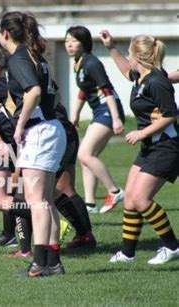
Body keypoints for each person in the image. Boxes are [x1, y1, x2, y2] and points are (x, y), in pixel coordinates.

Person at [100, 30, 179, 264]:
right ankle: (127, 253)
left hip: (166, 147)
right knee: (131, 200)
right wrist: (111, 47)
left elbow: (170, 115)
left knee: (141, 200)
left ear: (139, 57)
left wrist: (141, 132)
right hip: (150, 147)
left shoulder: (157, 81)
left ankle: (172, 246)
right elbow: (126, 70)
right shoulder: (140, 76)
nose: (128, 56)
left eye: (130, 53)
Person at [0, 11, 67, 277]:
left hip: (39, 131)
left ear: (6, 32)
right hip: (51, 128)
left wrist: (19, 124)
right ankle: (53, 262)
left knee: (36, 201)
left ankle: (39, 263)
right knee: (46, 201)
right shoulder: (34, 55)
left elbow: (35, 92)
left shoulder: (18, 58)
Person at [65, 26, 125, 214]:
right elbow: (84, 90)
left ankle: (114, 191)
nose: (69, 45)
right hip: (99, 112)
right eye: (67, 41)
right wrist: (74, 115)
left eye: (73, 41)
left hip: (107, 111)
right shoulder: (79, 62)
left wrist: (116, 119)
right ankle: (90, 204)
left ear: (84, 43)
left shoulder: (92, 63)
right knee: (87, 158)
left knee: (85, 154)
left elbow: (107, 90)